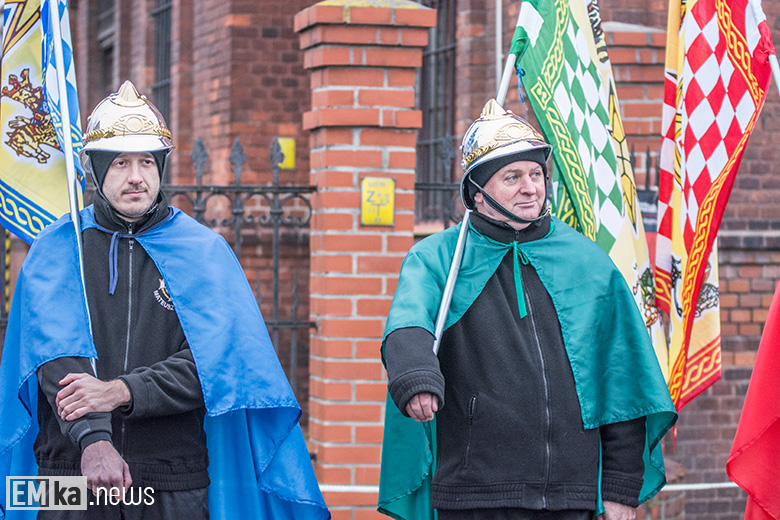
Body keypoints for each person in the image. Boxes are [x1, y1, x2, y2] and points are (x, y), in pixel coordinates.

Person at [0, 81, 329, 519]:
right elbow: (56, 357)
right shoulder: (60, 248)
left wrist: (121, 391)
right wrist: (93, 440)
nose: (136, 176)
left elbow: (215, 364)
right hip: (68, 475)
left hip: (172, 477)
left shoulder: (204, 251)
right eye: (119, 163)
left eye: (146, 162)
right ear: (95, 171)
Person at [378, 100, 677, 520]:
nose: (530, 187)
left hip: (573, 496)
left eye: (536, 174)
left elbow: (622, 379)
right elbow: (408, 324)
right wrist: (415, 374)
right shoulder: (438, 258)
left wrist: (620, 487)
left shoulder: (587, 262)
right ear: (477, 193)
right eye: (512, 177)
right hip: (474, 495)